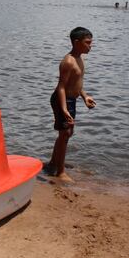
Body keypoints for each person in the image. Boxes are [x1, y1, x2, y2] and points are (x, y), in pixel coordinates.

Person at [44, 27, 96, 181]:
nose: (90, 46)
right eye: (87, 43)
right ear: (76, 42)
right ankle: (60, 172)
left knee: (67, 133)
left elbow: (76, 84)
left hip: (71, 100)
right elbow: (61, 87)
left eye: (91, 43)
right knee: (65, 134)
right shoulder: (68, 61)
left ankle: (54, 162)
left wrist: (85, 97)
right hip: (62, 100)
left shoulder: (80, 59)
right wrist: (64, 109)